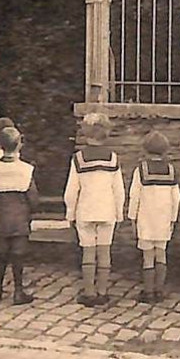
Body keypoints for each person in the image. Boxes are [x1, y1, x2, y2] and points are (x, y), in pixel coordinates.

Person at [64, 112, 125, 308]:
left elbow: (71, 190)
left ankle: (89, 292)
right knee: (105, 251)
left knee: (88, 251)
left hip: (86, 210)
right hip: (107, 210)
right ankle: (103, 291)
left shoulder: (79, 159)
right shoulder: (113, 159)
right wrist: (119, 212)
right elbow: (119, 189)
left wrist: (70, 212)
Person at [0, 126, 37, 305]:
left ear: (0, 145)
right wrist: (29, 212)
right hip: (19, 218)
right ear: (20, 145)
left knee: (1, 254)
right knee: (18, 255)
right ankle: (18, 290)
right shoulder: (26, 170)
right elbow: (33, 198)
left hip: (0, 217)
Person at [127, 130, 180, 303]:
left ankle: (148, 291)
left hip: (146, 219)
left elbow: (134, 196)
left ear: (144, 150)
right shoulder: (171, 171)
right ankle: (160, 290)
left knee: (147, 256)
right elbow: (176, 198)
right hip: (164, 219)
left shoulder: (141, 170)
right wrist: (173, 218)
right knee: (161, 254)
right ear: (165, 150)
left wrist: (132, 218)